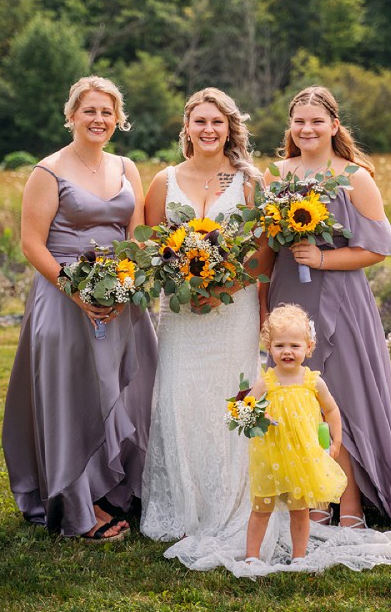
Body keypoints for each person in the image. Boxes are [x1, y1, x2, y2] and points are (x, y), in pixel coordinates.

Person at [261, 85, 391, 537]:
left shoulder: (355, 176)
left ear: (334, 126)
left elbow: (378, 249)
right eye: (299, 121)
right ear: (290, 126)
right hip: (289, 292)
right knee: (297, 398)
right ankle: (313, 499)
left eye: (317, 121)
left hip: (341, 295)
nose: (307, 129)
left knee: (342, 399)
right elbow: (264, 246)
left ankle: (352, 501)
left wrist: (321, 258)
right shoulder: (275, 176)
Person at [2, 76, 158, 541]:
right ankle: (78, 503)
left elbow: (136, 234)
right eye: (89, 111)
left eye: (107, 112)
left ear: (118, 119)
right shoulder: (47, 172)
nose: (99, 120)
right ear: (72, 115)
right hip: (64, 294)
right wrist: (80, 293)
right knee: (72, 394)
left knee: (132, 388)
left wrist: (126, 285)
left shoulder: (127, 167)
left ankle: (119, 489)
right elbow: (32, 244)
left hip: (121, 298)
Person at [140, 87, 264, 547]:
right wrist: (186, 289)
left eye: (217, 122)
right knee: (179, 395)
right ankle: (185, 506)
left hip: (235, 311)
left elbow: (262, 254)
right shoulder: (163, 181)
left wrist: (222, 291)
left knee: (233, 397)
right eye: (200, 122)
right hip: (181, 313)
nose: (209, 130)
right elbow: (153, 249)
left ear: (230, 127)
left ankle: (233, 503)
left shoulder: (251, 182)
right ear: (187, 128)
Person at [245, 304, 347, 565]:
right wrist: (259, 414)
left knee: (300, 511)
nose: (287, 351)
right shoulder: (266, 382)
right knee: (261, 509)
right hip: (271, 454)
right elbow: (245, 407)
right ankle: (252, 557)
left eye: (294, 345)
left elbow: (332, 409)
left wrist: (336, 440)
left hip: (301, 457)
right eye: (279, 345)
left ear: (308, 347)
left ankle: (299, 556)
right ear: (269, 347)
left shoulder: (313, 381)